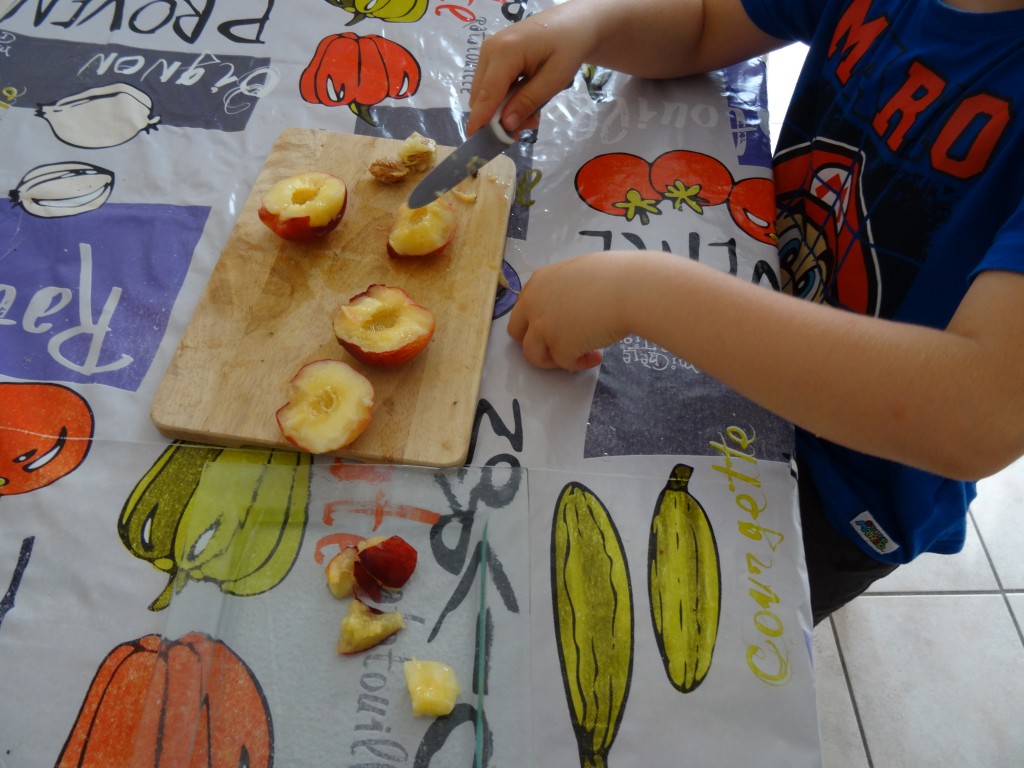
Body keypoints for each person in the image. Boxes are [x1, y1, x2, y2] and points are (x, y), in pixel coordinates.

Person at [466, 0, 1024, 624]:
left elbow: (978, 413)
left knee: (682, 627)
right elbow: (707, 21)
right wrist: (589, 26)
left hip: (846, 488)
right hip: (732, 335)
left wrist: (642, 292)